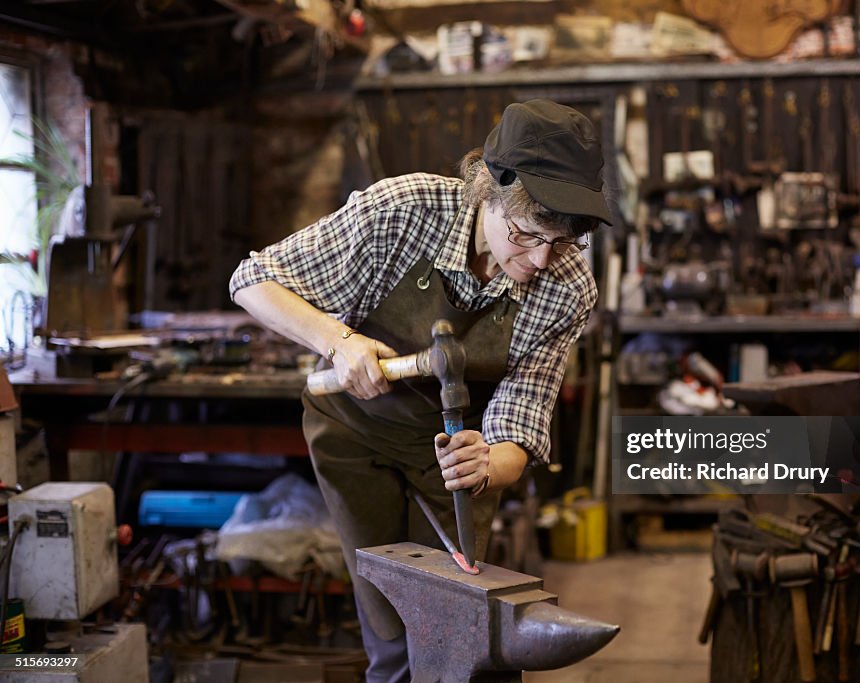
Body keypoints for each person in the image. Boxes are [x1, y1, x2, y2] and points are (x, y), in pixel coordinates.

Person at [229, 98, 613, 682]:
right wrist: (340, 342)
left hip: (459, 448)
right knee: (389, 627)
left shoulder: (567, 284)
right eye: (526, 235)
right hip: (353, 433)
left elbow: (524, 415)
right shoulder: (404, 210)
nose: (539, 261)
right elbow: (253, 279)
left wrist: (488, 464)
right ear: (489, 189)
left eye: (560, 244)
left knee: (460, 623)